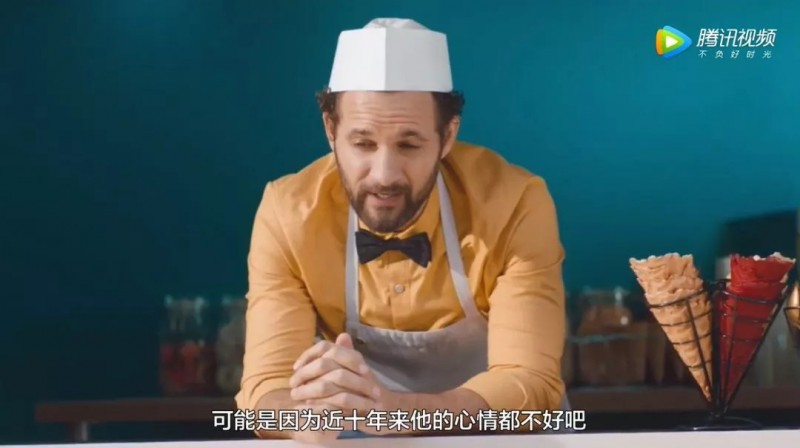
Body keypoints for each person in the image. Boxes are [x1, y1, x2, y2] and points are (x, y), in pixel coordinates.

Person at [235, 17, 569, 444]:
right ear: (330, 130)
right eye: (362, 144)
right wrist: (302, 419)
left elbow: (531, 386)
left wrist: (403, 412)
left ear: (447, 136)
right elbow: (264, 390)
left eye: (409, 145)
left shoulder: (514, 203)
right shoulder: (289, 213)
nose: (384, 175)